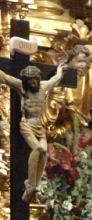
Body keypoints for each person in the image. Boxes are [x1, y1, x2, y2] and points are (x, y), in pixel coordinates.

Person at [0, 63, 67, 200]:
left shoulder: (43, 87)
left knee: (44, 153)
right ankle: (30, 185)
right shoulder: (22, 87)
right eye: (29, 80)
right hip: (27, 124)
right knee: (37, 149)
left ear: (37, 78)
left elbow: (55, 80)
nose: (32, 83)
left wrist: (60, 71)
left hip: (39, 126)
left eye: (34, 79)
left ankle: (33, 186)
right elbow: (5, 78)